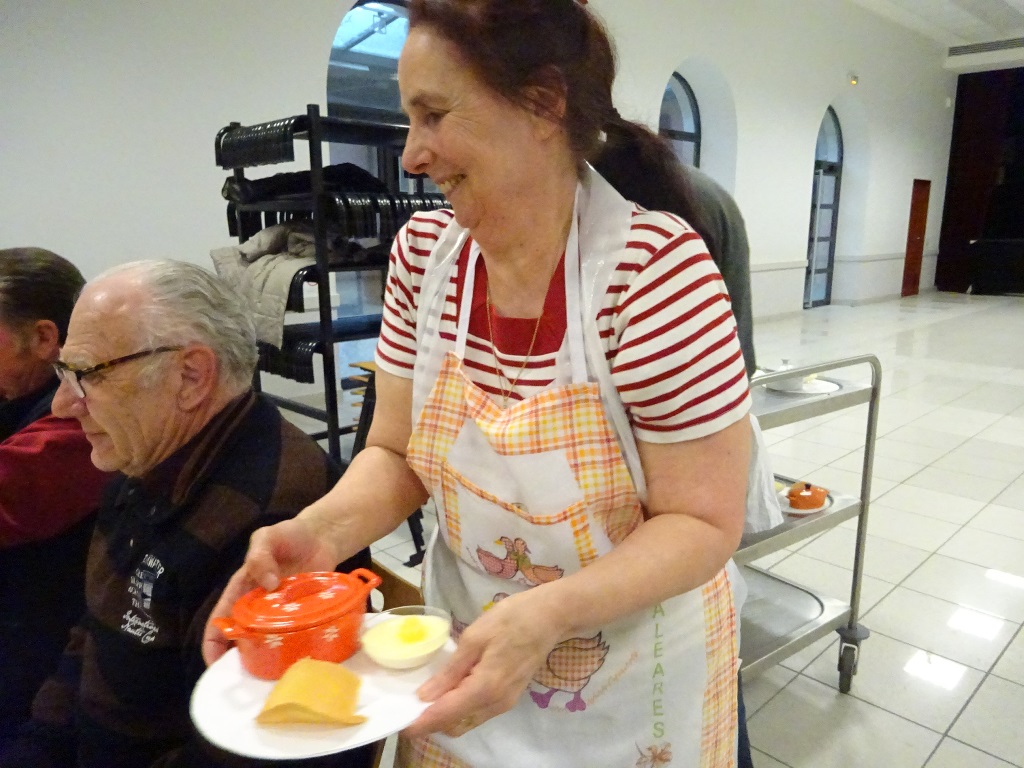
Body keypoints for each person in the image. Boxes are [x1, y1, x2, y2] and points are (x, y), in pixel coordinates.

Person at [206, 1, 752, 766]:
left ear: (543, 103)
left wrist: (550, 613)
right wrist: (321, 533)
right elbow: (397, 453)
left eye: (433, 115)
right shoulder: (425, 258)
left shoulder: (652, 275)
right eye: (409, 119)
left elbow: (702, 522)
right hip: (464, 661)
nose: (412, 155)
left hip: (628, 682)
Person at [0, 260, 372, 768]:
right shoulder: (141, 461)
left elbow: (256, 750)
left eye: (87, 376)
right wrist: (36, 746)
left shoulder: (268, 520)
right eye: (64, 374)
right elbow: (91, 636)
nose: (64, 405)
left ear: (191, 376)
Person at [0, 247, 111, 739]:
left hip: (47, 644)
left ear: (44, 337)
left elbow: (11, 493)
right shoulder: (18, 386)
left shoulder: (76, 426)